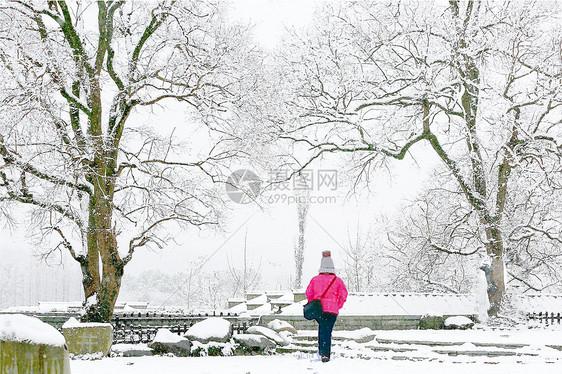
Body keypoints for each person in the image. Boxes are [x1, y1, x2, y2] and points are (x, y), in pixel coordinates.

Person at [305, 250, 348, 362]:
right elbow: (343, 295)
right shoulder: (337, 281)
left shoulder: (315, 280)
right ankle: (325, 353)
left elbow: (308, 293)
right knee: (327, 330)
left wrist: (314, 303)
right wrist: (337, 305)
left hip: (320, 310)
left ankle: (322, 351)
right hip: (332, 311)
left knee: (322, 329)